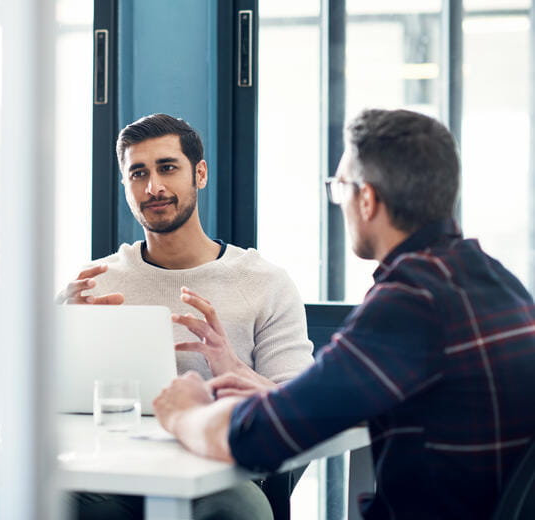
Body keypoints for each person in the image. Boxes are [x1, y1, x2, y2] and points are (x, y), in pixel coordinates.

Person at [154, 108, 535, 519]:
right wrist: (283, 398)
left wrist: (186, 412)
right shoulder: (496, 280)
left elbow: (260, 439)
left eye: (339, 188)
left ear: (367, 199)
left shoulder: (410, 299)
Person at [57, 113, 314, 518]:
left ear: (200, 174)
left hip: (218, 473)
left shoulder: (266, 283)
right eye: (138, 173)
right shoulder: (93, 285)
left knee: (239, 510)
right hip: (108, 475)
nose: (153, 187)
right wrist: (63, 332)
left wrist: (234, 369)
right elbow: (38, 401)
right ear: (125, 186)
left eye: (168, 168)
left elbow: (306, 411)